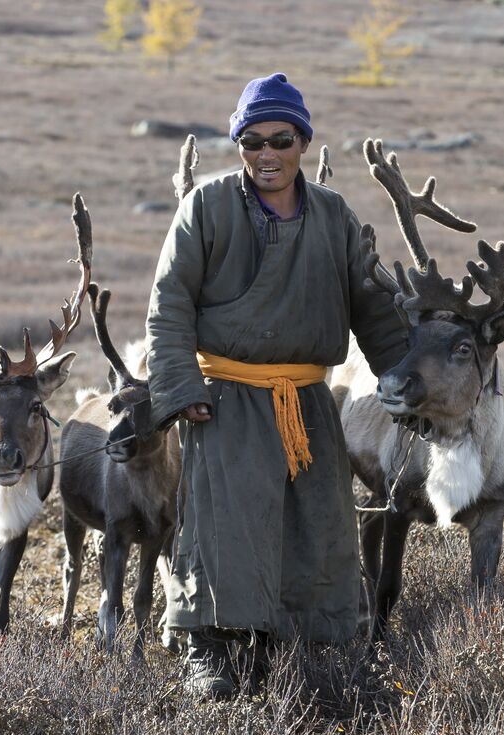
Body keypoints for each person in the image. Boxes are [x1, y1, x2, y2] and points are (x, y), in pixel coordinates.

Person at [145, 72, 407, 699]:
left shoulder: (334, 216)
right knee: (224, 527)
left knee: (318, 524)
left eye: (281, 140)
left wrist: (402, 375)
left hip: (307, 403)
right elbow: (169, 303)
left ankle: (304, 652)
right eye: (252, 141)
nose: (267, 153)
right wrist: (182, 388)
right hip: (225, 401)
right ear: (239, 145)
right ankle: (208, 652)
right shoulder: (205, 207)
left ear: (302, 142)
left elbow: (372, 306)